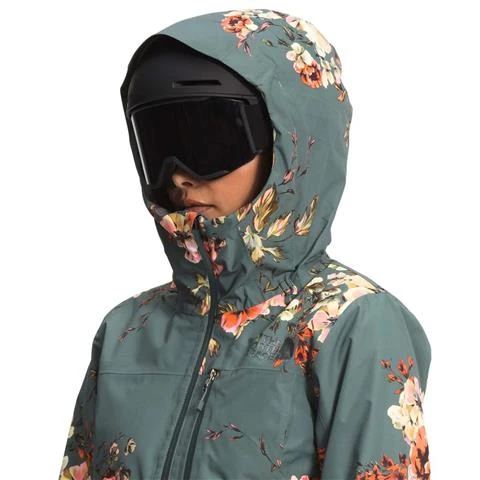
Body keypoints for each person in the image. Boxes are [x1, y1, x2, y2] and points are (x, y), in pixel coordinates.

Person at [59, 8, 431, 480]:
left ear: (290, 143)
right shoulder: (126, 330)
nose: (178, 175)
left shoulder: (350, 324)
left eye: (208, 139)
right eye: (159, 143)